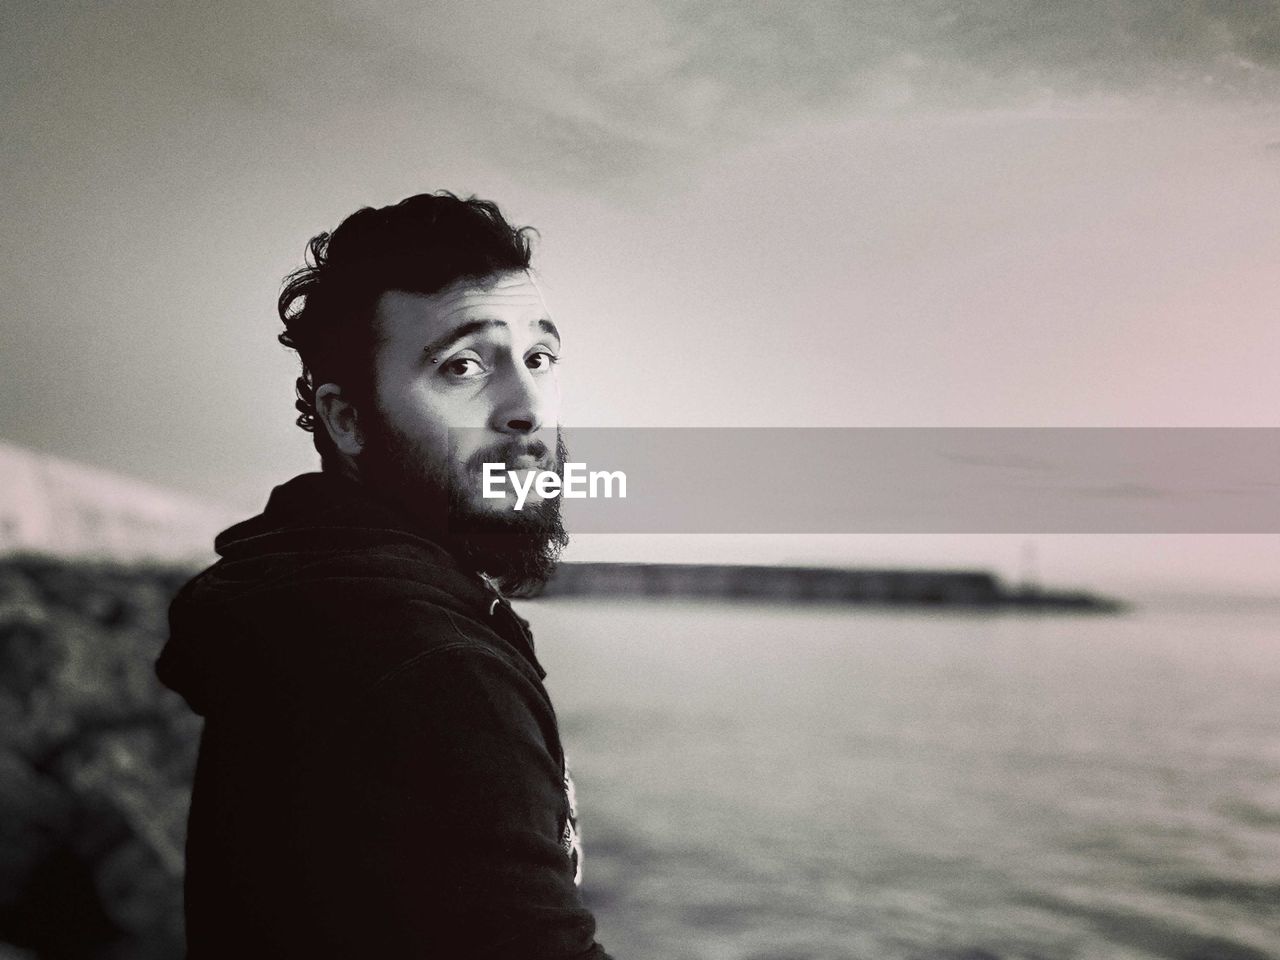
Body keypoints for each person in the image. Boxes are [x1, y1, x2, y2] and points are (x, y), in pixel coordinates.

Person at [156, 192, 611, 958]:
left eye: (539, 359)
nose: (528, 408)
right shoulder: (430, 670)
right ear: (347, 419)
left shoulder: (306, 593)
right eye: (463, 365)